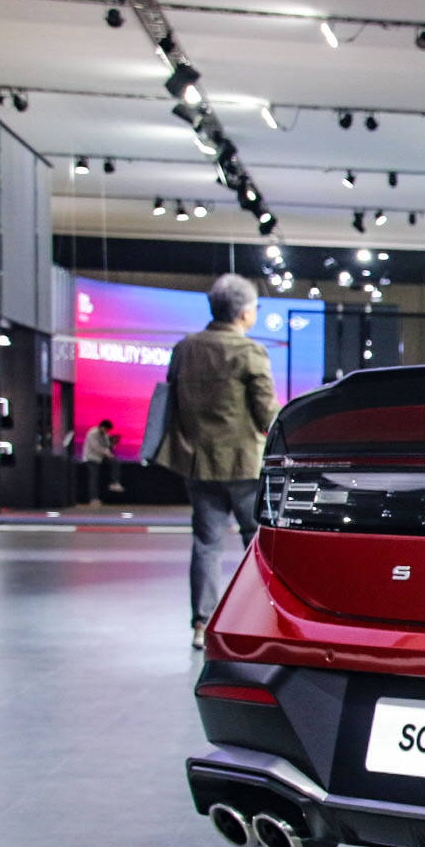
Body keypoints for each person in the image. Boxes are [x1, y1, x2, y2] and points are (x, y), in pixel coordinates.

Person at [157, 275, 277, 649]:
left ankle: (201, 624)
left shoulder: (185, 348)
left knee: (206, 545)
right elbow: (266, 413)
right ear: (244, 313)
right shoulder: (250, 352)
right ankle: (260, 619)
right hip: (243, 464)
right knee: (255, 544)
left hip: (197, 463)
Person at [81, 419, 123, 504]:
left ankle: (114, 482)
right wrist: (107, 453)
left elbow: (107, 446)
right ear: (102, 427)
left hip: (101, 457)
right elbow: (96, 447)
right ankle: (93, 498)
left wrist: (113, 444)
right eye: (106, 429)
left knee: (115, 462)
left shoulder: (105, 434)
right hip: (91, 458)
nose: (107, 431)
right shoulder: (92, 433)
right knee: (94, 477)